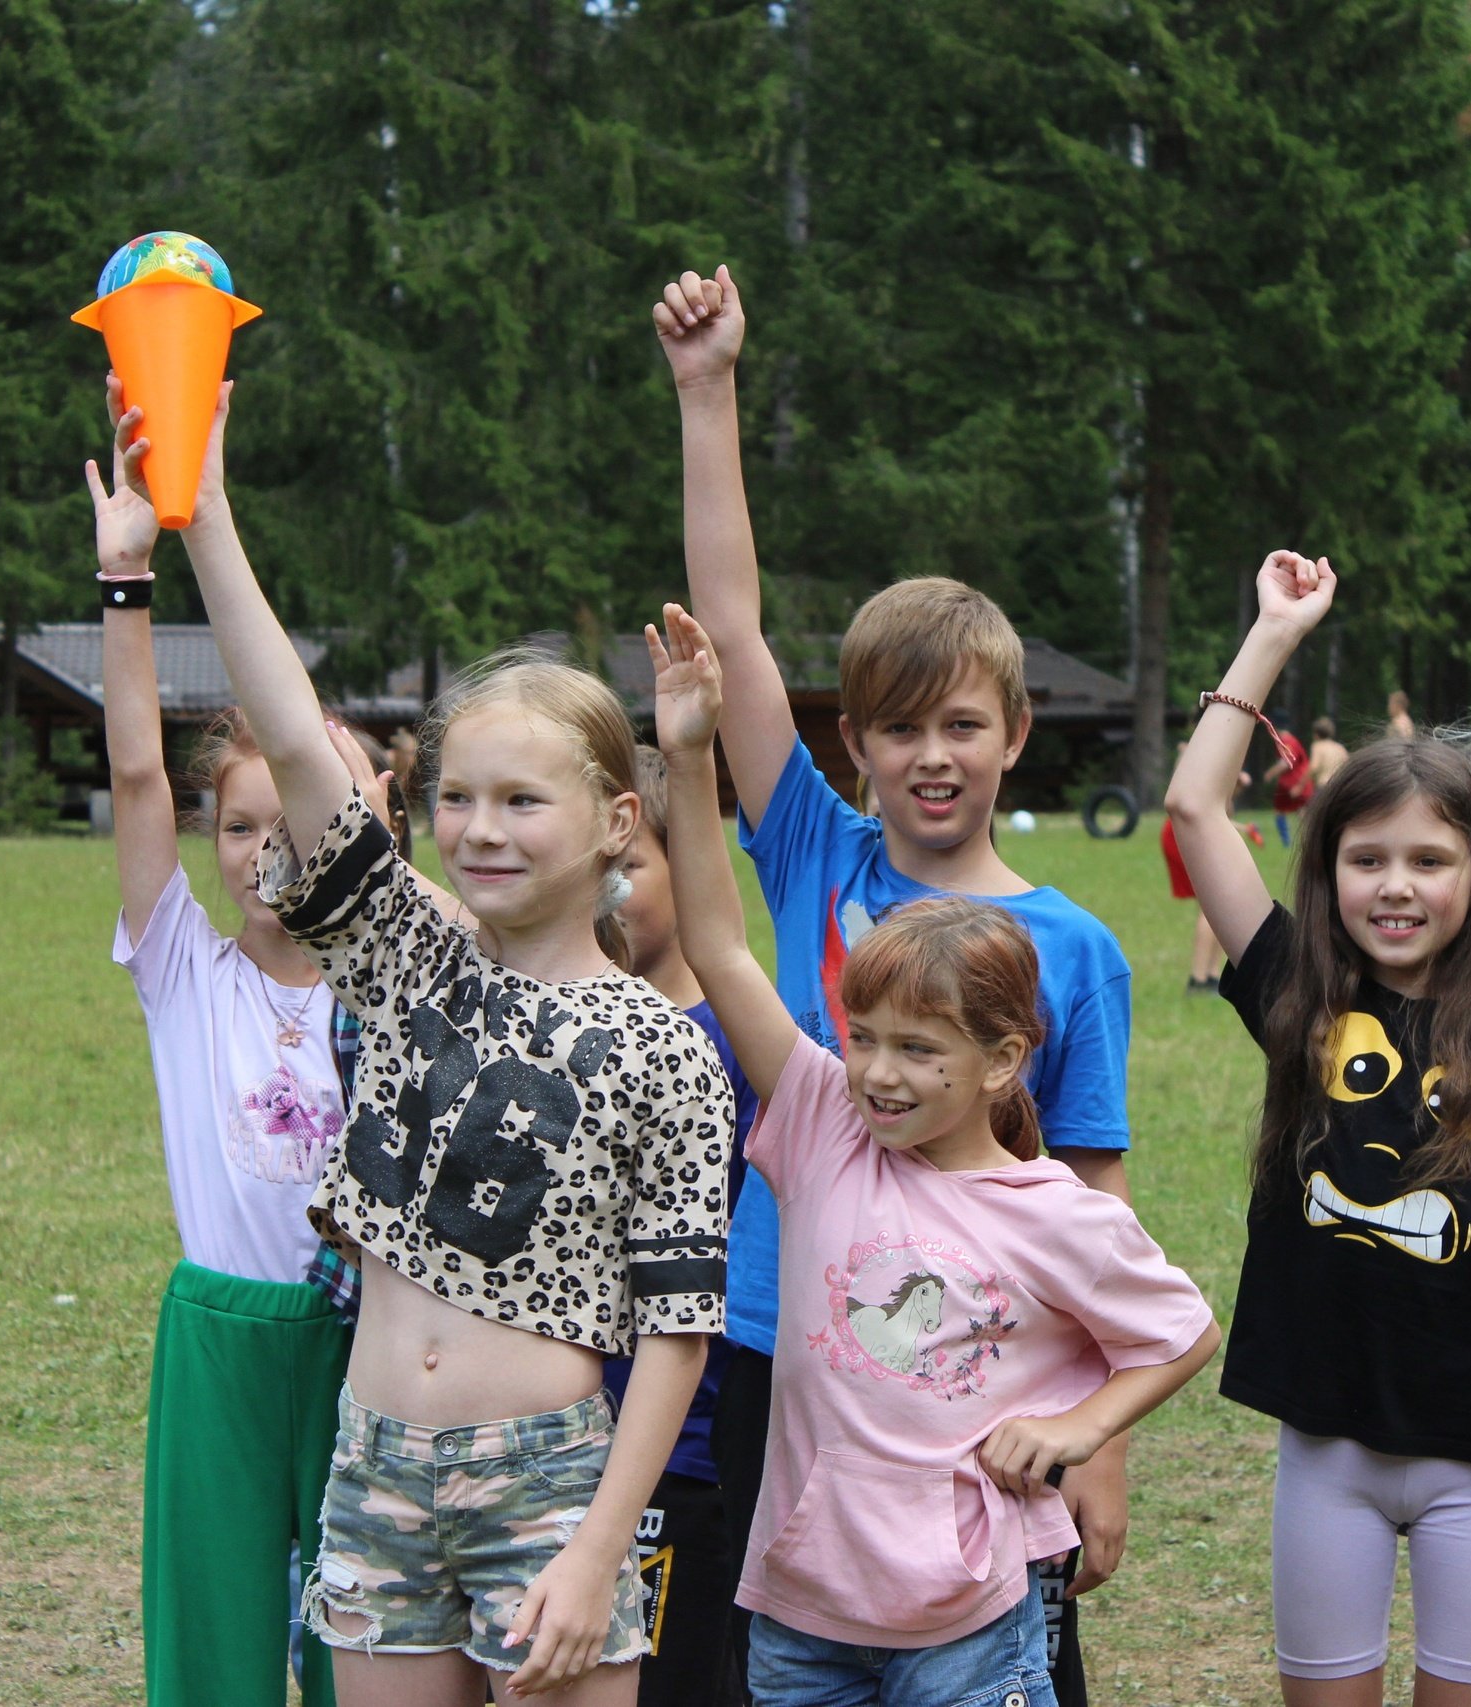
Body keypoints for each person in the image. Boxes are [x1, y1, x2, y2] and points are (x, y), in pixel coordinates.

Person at [172, 380, 736, 1706]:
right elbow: (302, 745)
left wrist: (601, 1547)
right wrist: (206, 515)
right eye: (460, 797)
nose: (480, 827)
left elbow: (677, 1327)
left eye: (522, 799)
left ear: (611, 820)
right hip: (372, 1461)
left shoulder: (664, 1047)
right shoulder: (408, 955)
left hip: (550, 1477)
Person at [654, 263, 1137, 1698]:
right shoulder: (814, 849)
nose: (935, 754)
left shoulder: (1077, 949)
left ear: (1017, 732)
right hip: (780, 1347)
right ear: (851, 740)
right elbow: (732, 630)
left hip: (989, 1387)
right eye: (901, 726)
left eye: (964, 724)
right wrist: (708, 391)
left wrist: (1100, 1445)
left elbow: (1097, 1205)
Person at [646, 604, 1220, 1707]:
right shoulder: (821, 1124)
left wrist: (1084, 1432)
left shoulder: (1047, 1205)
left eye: (920, 1049)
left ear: (1006, 1059)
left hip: (973, 1618)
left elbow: (1179, 1329)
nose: (880, 1074)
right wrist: (686, 756)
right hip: (808, 1613)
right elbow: (717, 947)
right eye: (860, 1040)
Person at [1167, 550, 1471, 1707]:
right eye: (1366, 859)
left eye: (1429, 859)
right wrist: (1272, 634)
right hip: (1330, 1448)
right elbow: (1191, 807)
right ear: (1327, 874)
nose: (1396, 886)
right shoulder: (1296, 996)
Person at [88, 382, 358, 1707]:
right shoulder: (184, 967)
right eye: (242, 825)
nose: (270, 851)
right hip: (225, 1332)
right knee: (218, 1629)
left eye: (299, 824)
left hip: (370, 1336)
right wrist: (129, 570)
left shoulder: (400, 986)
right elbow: (137, 771)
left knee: (362, 1629)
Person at [602, 747, 761, 1707]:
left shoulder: (739, 1045)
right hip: (554, 1445)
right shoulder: (544, 1030)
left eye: (630, 866)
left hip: (685, 1458)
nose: (604, 891)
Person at [1162, 746, 1265, 993]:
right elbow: (1194, 801)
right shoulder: (1206, 753)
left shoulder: (1216, 758)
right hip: (1186, 832)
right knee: (1211, 905)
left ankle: (1210, 975)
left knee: (1219, 903)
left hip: (1194, 830)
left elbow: (1219, 809)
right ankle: (1198, 978)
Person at [1268, 715, 1314, 848]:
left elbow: (1286, 762)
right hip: (1294, 783)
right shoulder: (1287, 740)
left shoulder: (1287, 740)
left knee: (1296, 812)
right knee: (1300, 813)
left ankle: (1288, 842)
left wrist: (1270, 773)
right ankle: (1307, 842)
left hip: (1296, 783)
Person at [1308, 716, 1349, 790]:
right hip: (1338, 786)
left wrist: (1300, 785)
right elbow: (1347, 766)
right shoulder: (1340, 748)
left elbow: (1314, 767)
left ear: (1316, 734)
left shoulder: (1318, 746)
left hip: (1323, 786)